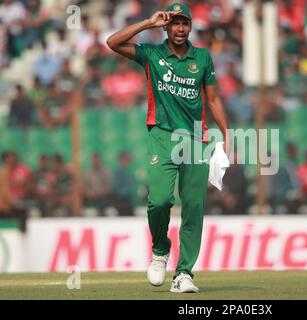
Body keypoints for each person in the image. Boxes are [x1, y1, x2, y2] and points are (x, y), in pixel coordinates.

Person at [106, 3, 229, 293]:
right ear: (166, 27)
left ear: (190, 27)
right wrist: (147, 23)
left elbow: (212, 101)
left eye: (184, 23)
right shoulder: (152, 55)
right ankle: (160, 249)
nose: (180, 28)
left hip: (196, 140)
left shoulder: (202, 57)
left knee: (194, 207)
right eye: (174, 23)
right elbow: (112, 42)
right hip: (162, 135)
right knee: (159, 200)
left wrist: (228, 135)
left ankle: (184, 273)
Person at [111, 152, 135, 216]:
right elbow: (115, 187)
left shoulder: (130, 170)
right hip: (120, 198)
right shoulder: (117, 171)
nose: (124, 161)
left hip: (128, 198)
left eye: (126, 159)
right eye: (123, 159)